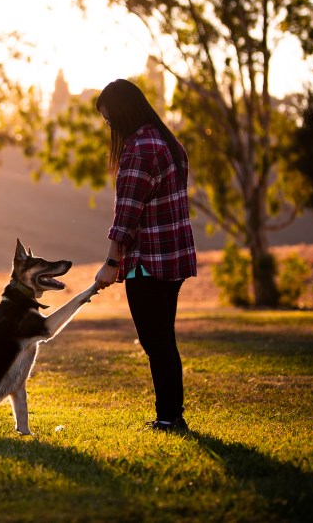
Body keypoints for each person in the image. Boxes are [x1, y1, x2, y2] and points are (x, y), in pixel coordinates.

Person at [92, 79, 197, 432]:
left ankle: (169, 417)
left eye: (109, 121)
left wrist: (111, 264)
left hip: (148, 262)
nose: (110, 128)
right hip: (173, 259)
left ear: (121, 113)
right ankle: (172, 414)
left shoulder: (138, 148)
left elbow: (127, 215)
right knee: (164, 340)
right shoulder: (169, 142)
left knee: (157, 344)